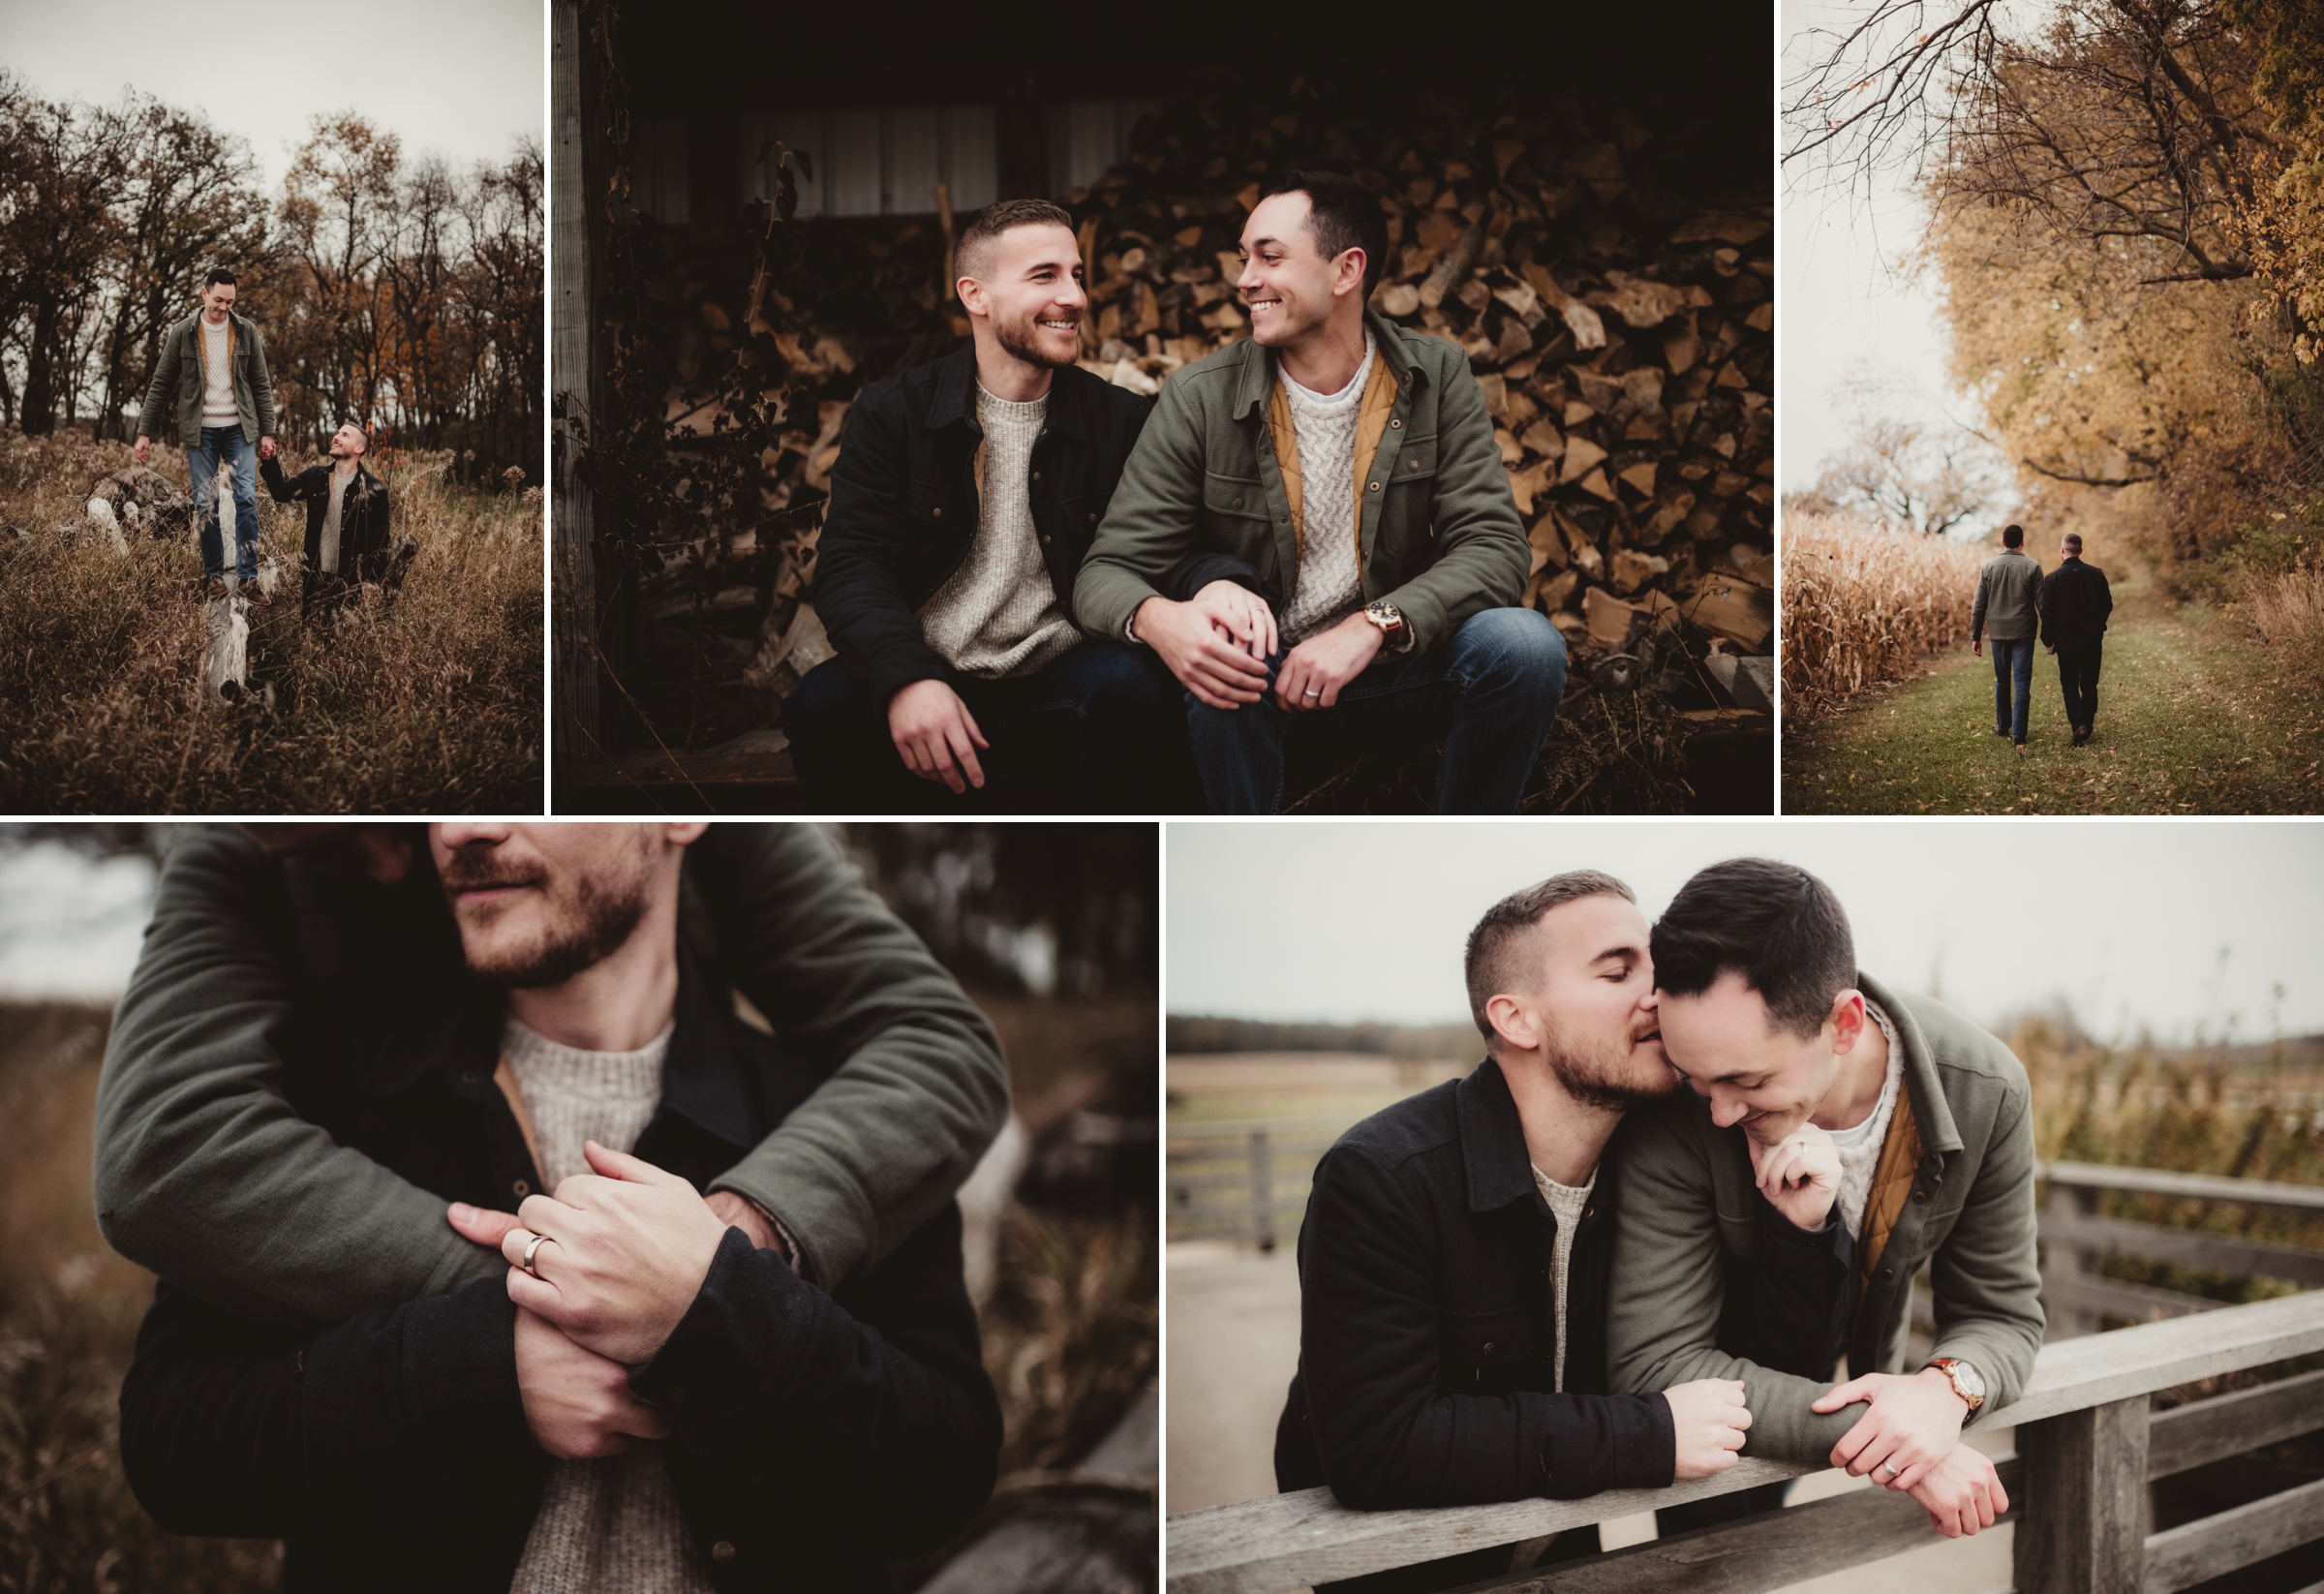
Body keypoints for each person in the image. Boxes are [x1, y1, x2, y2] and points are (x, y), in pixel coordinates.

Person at [113, 823, 1003, 1591]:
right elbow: (173, 1449)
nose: (457, 832)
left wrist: (722, 1303)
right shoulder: (328, 1108)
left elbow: (940, 1479)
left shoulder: (836, 1114)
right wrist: (481, 1361)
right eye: (442, 806)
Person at [95, 823, 1009, 1317]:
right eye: (329, 854)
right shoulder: (239, 849)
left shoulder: (681, 836)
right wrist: (554, 1294)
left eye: (394, 811)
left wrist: (730, 1249)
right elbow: (168, 1151)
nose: (398, 859)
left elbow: (935, 1041)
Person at [1274, 872, 1786, 1593]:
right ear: (1517, 1020)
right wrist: (1648, 1434)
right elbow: (1377, 1447)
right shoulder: (1381, 1178)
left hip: (1563, 1571)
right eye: (1618, 971)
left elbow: (1763, 1350)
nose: (1659, 993)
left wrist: (1805, 1226)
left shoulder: (1662, 1164)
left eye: (1658, 966)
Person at [1074, 169, 1567, 814]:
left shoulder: (1435, 375)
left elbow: (1495, 547)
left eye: (1270, 257)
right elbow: (1106, 571)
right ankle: (1246, 856)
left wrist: (1375, 625)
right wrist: (1164, 621)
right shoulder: (1200, 397)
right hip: (1260, 685)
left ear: (1345, 271)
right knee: (1226, 663)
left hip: (1392, 671)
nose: (1245, 279)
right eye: (1245, 258)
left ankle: (1463, 848)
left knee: (1526, 647)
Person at [1607, 858, 2042, 1544]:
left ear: (1843, 1024)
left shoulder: (1987, 1091)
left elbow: (2002, 1314)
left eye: (1748, 1080)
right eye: (1696, 1079)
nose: (1719, 1112)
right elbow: (1658, 1362)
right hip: (1713, 1425)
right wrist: (1893, 1435)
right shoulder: (1673, 1107)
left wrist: (1940, 1394)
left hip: (1818, 1392)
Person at [790, 198, 1201, 812]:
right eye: (1045, 276)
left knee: (1139, 687)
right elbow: (853, 565)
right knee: (818, 707)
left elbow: (1173, 545)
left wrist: (1217, 587)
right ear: (975, 295)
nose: (1075, 297)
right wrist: (906, 678)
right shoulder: (895, 412)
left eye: (1077, 275)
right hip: (934, 670)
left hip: (1063, 678)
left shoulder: (1120, 420)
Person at [134, 267, 278, 604]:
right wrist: (144, 432)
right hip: (201, 433)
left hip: (240, 429)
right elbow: (160, 383)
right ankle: (214, 575)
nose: (223, 307)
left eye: (230, 302)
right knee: (206, 503)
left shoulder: (246, 331)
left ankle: (248, 577)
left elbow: (261, 384)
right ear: (204, 293)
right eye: (218, 300)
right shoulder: (182, 333)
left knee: (246, 498)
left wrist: (268, 431)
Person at [260, 420, 394, 619]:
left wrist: (373, 579)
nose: (336, 437)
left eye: (345, 435)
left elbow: (380, 539)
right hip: (314, 576)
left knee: (344, 634)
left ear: (359, 449)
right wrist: (270, 461)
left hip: (350, 582)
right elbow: (282, 492)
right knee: (310, 631)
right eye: (337, 433)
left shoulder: (374, 489)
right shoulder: (316, 476)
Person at [1970, 524, 2044, 749]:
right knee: (2022, 683)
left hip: (1998, 632)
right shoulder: (2033, 566)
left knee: (2002, 681)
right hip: (2023, 631)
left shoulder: (1989, 567)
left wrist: (1975, 635)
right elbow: (2043, 604)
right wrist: (2050, 634)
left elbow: (1979, 605)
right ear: (2022, 542)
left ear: (2003, 543)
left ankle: (2003, 727)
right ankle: (2019, 734)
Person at [2038, 531, 2113, 747]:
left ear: (2062, 550)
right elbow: (2107, 604)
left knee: (2069, 684)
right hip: (2092, 640)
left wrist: (2048, 640)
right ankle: (2086, 725)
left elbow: (2047, 613)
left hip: (2066, 642)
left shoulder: (2052, 578)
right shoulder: (2096, 574)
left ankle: (2079, 725)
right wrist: (2098, 624)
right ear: (2081, 550)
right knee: (2090, 685)